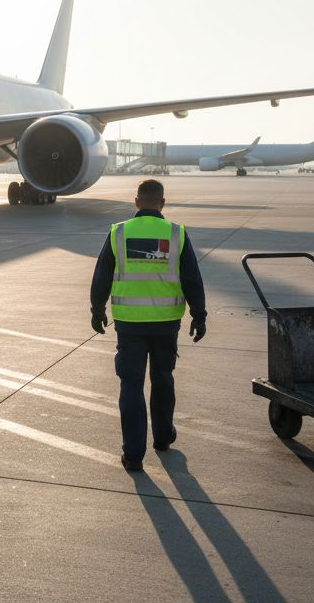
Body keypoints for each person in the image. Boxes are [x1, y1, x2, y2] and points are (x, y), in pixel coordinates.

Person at [90, 179, 206, 472]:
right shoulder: (176, 233)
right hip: (166, 323)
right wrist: (199, 314)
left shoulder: (119, 232)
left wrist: (97, 309)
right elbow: (192, 277)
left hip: (129, 324)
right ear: (162, 203)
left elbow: (102, 273)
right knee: (163, 378)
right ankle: (163, 437)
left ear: (137, 202)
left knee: (131, 385)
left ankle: (133, 455)